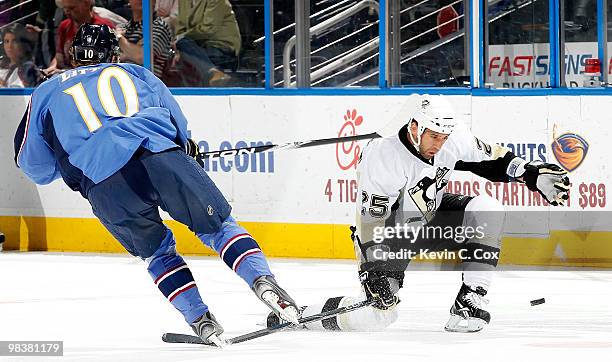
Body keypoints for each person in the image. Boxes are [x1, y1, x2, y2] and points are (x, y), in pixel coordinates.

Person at [14, 24, 299, 346]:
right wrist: (182, 145)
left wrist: (71, 162)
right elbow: (177, 123)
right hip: (159, 156)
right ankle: (263, 282)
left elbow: (32, 165)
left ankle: (201, 320)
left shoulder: (46, 91)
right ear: (114, 54)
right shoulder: (136, 73)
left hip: (103, 183)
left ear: (72, 55)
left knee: (158, 254)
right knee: (219, 227)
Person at [268, 96, 570, 333]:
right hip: (392, 233)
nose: (439, 145)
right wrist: (374, 271)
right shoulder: (383, 156)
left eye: (444, 137)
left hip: (432, 220)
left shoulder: (452, 137)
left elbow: (491, 161)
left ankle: (469, 301)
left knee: (488, 208)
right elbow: (373, 221)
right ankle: (305, 315)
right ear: (415, 128)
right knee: (378, 316)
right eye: (433, 137)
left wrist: (529, 174)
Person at [174, 0, 241, 86]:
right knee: (182, 48)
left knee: (183, 45)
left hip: (220, 47)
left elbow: (208, 29)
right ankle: (213, 73)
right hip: (198, 47)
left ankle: (213, 72)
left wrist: (182, 38)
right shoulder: (184, 1)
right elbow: (180, 27)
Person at [44, 0, 115, 75]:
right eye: (65, 8)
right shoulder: (64, 26)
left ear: (86, 4)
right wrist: (52, 67)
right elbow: (59, 55)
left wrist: (64, 72)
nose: (66, 12)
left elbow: (103, 64)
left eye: (72, 8)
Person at [116, 0, 173, 78]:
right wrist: (131, 52)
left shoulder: (159, 27)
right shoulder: (122, 27)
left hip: (146, 85)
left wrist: (120, 39)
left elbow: (142, 57)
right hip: (120, 80)